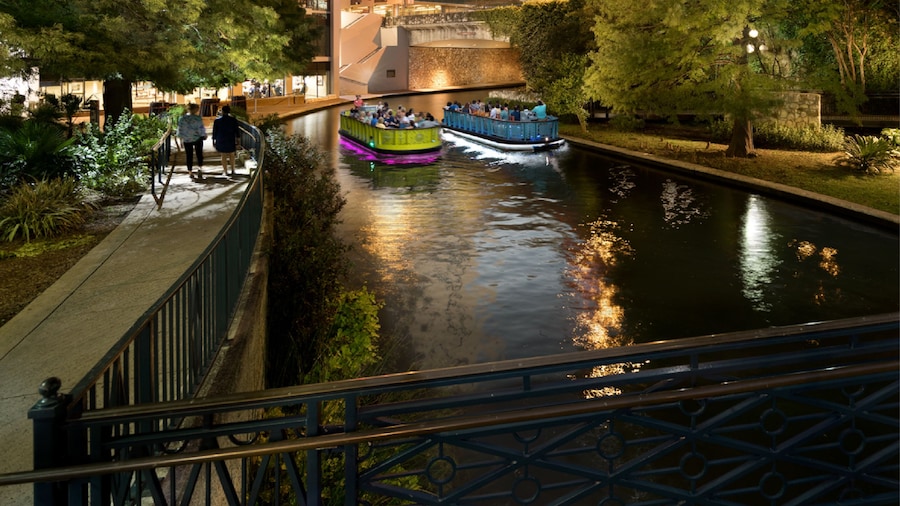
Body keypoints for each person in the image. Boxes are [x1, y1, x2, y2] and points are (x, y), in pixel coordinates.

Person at [178, 103, 206, 178]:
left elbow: (180, 130)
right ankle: (200, 168)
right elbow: (201, 128)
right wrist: (203, 135)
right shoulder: (198, 118)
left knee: (189, 155)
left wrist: (181, 140)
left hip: (187, 139)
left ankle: (190, 171)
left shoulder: (182, 118)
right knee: (199, 154)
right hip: (197, 138)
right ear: (194, 109)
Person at [212, 105, 240, 176]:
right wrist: (238, 140)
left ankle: (225, 171)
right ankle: (233, 170)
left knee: (223, 155)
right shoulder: (233, 120)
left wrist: (214, 141)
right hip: (230, 138)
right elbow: (237, 131)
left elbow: (215, 131)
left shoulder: (217, 121)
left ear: (222, 111)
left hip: (221, 139)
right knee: (232, 155)